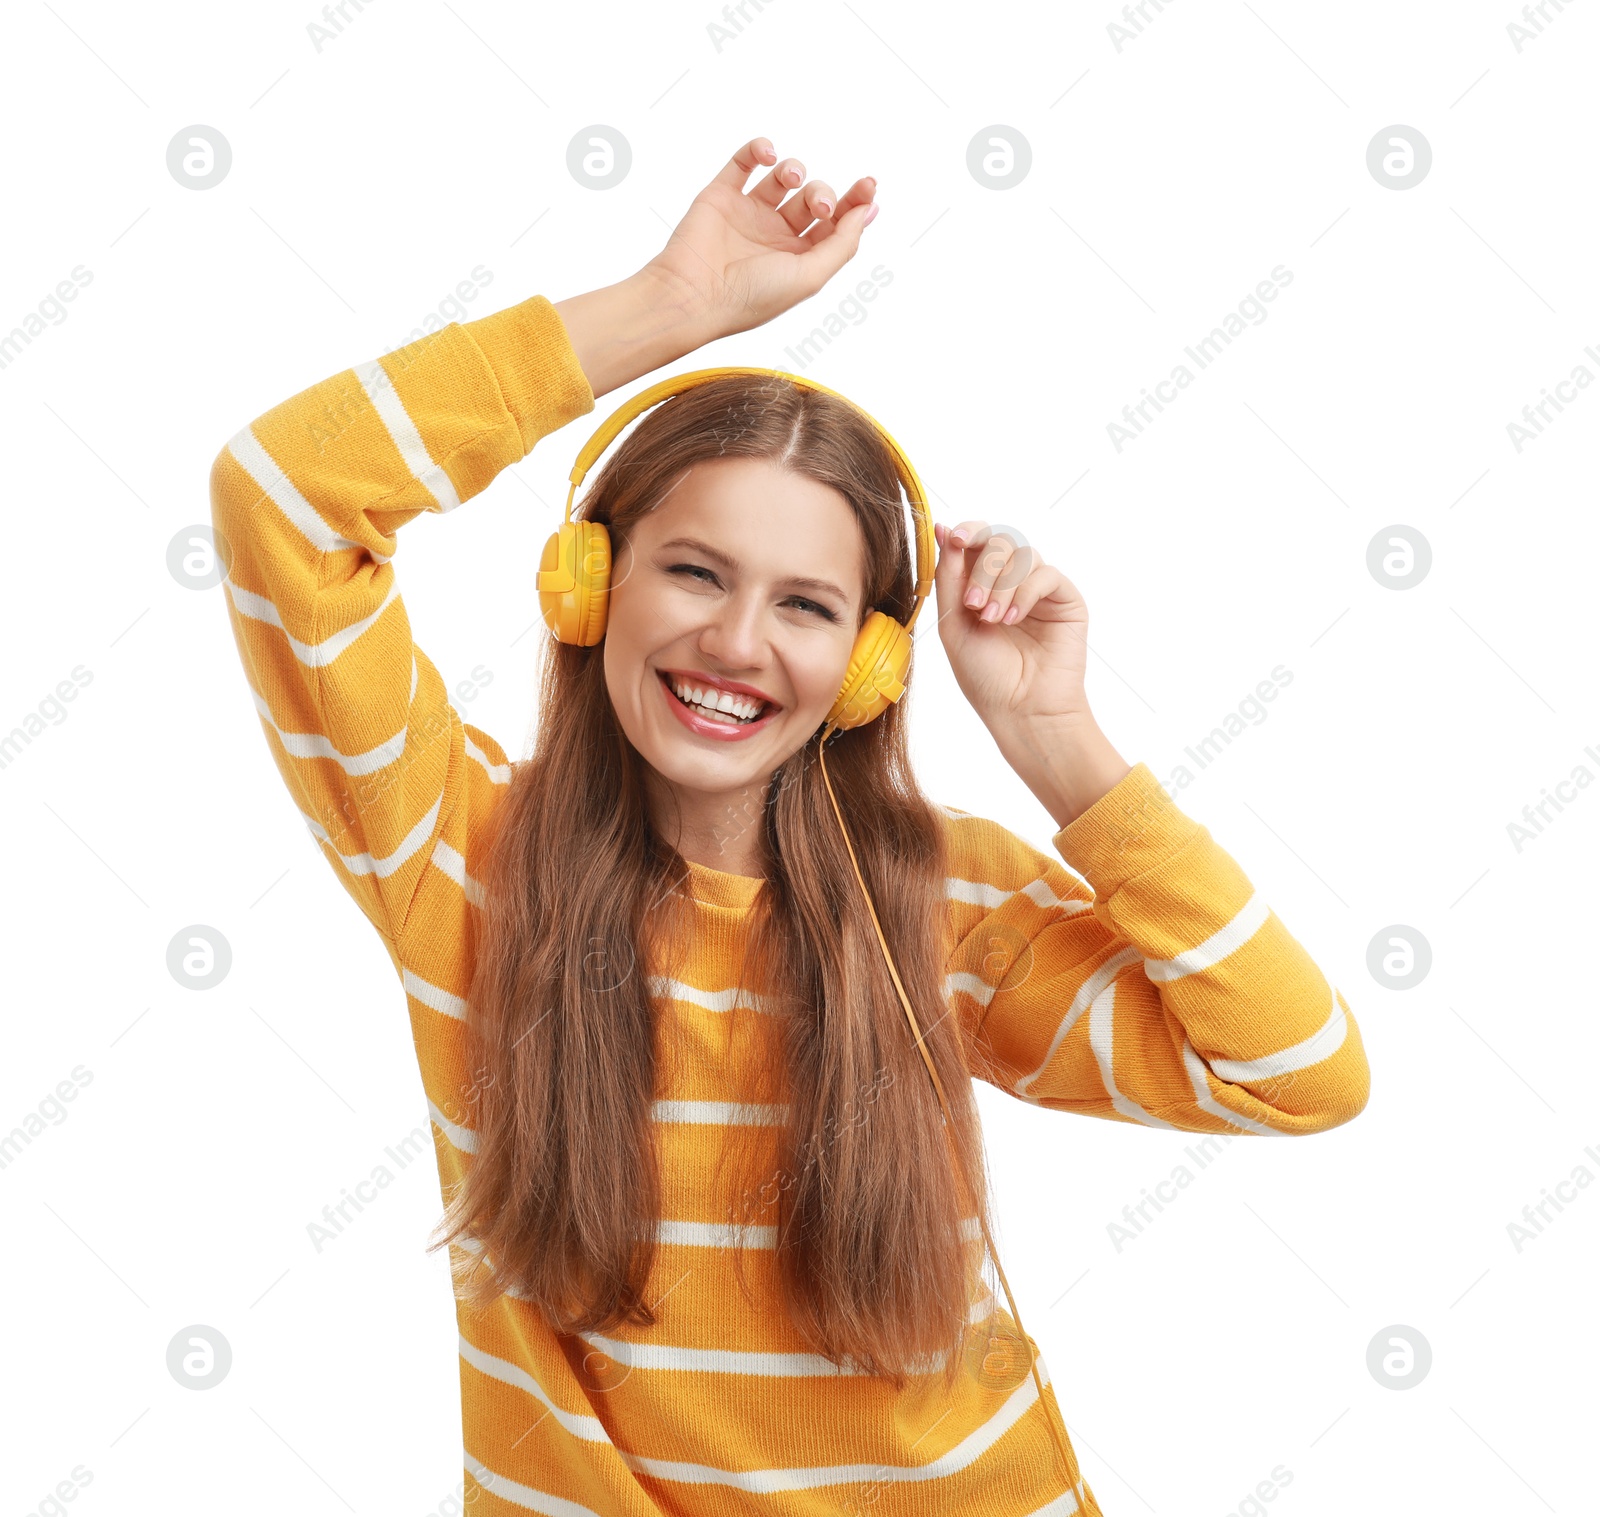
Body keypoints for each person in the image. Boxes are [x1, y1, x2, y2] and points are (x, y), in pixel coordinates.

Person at [210, 135, 1370, 1517]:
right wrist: (668, 308)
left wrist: (1060, 746)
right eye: (692, 570)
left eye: (806, 605)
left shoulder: (943, 905)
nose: (736, 641)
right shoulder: (458, 858)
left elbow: (1300, 1071)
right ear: (587, 583)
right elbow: (283, 494)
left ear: (869, 663)